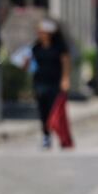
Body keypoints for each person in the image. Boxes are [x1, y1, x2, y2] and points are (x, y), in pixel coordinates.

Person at [29, 19, 70, 149]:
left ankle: (60, 135)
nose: (41, 34)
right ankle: (46, 136)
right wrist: (26, 63)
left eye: (43, 32)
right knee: (43, 111)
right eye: (39, 32)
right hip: (40, 82)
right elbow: (31, 66)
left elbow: (65, 63)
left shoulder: (59, 47)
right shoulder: (35, 48)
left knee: (55, 111)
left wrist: (65, 79)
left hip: (55, 83)